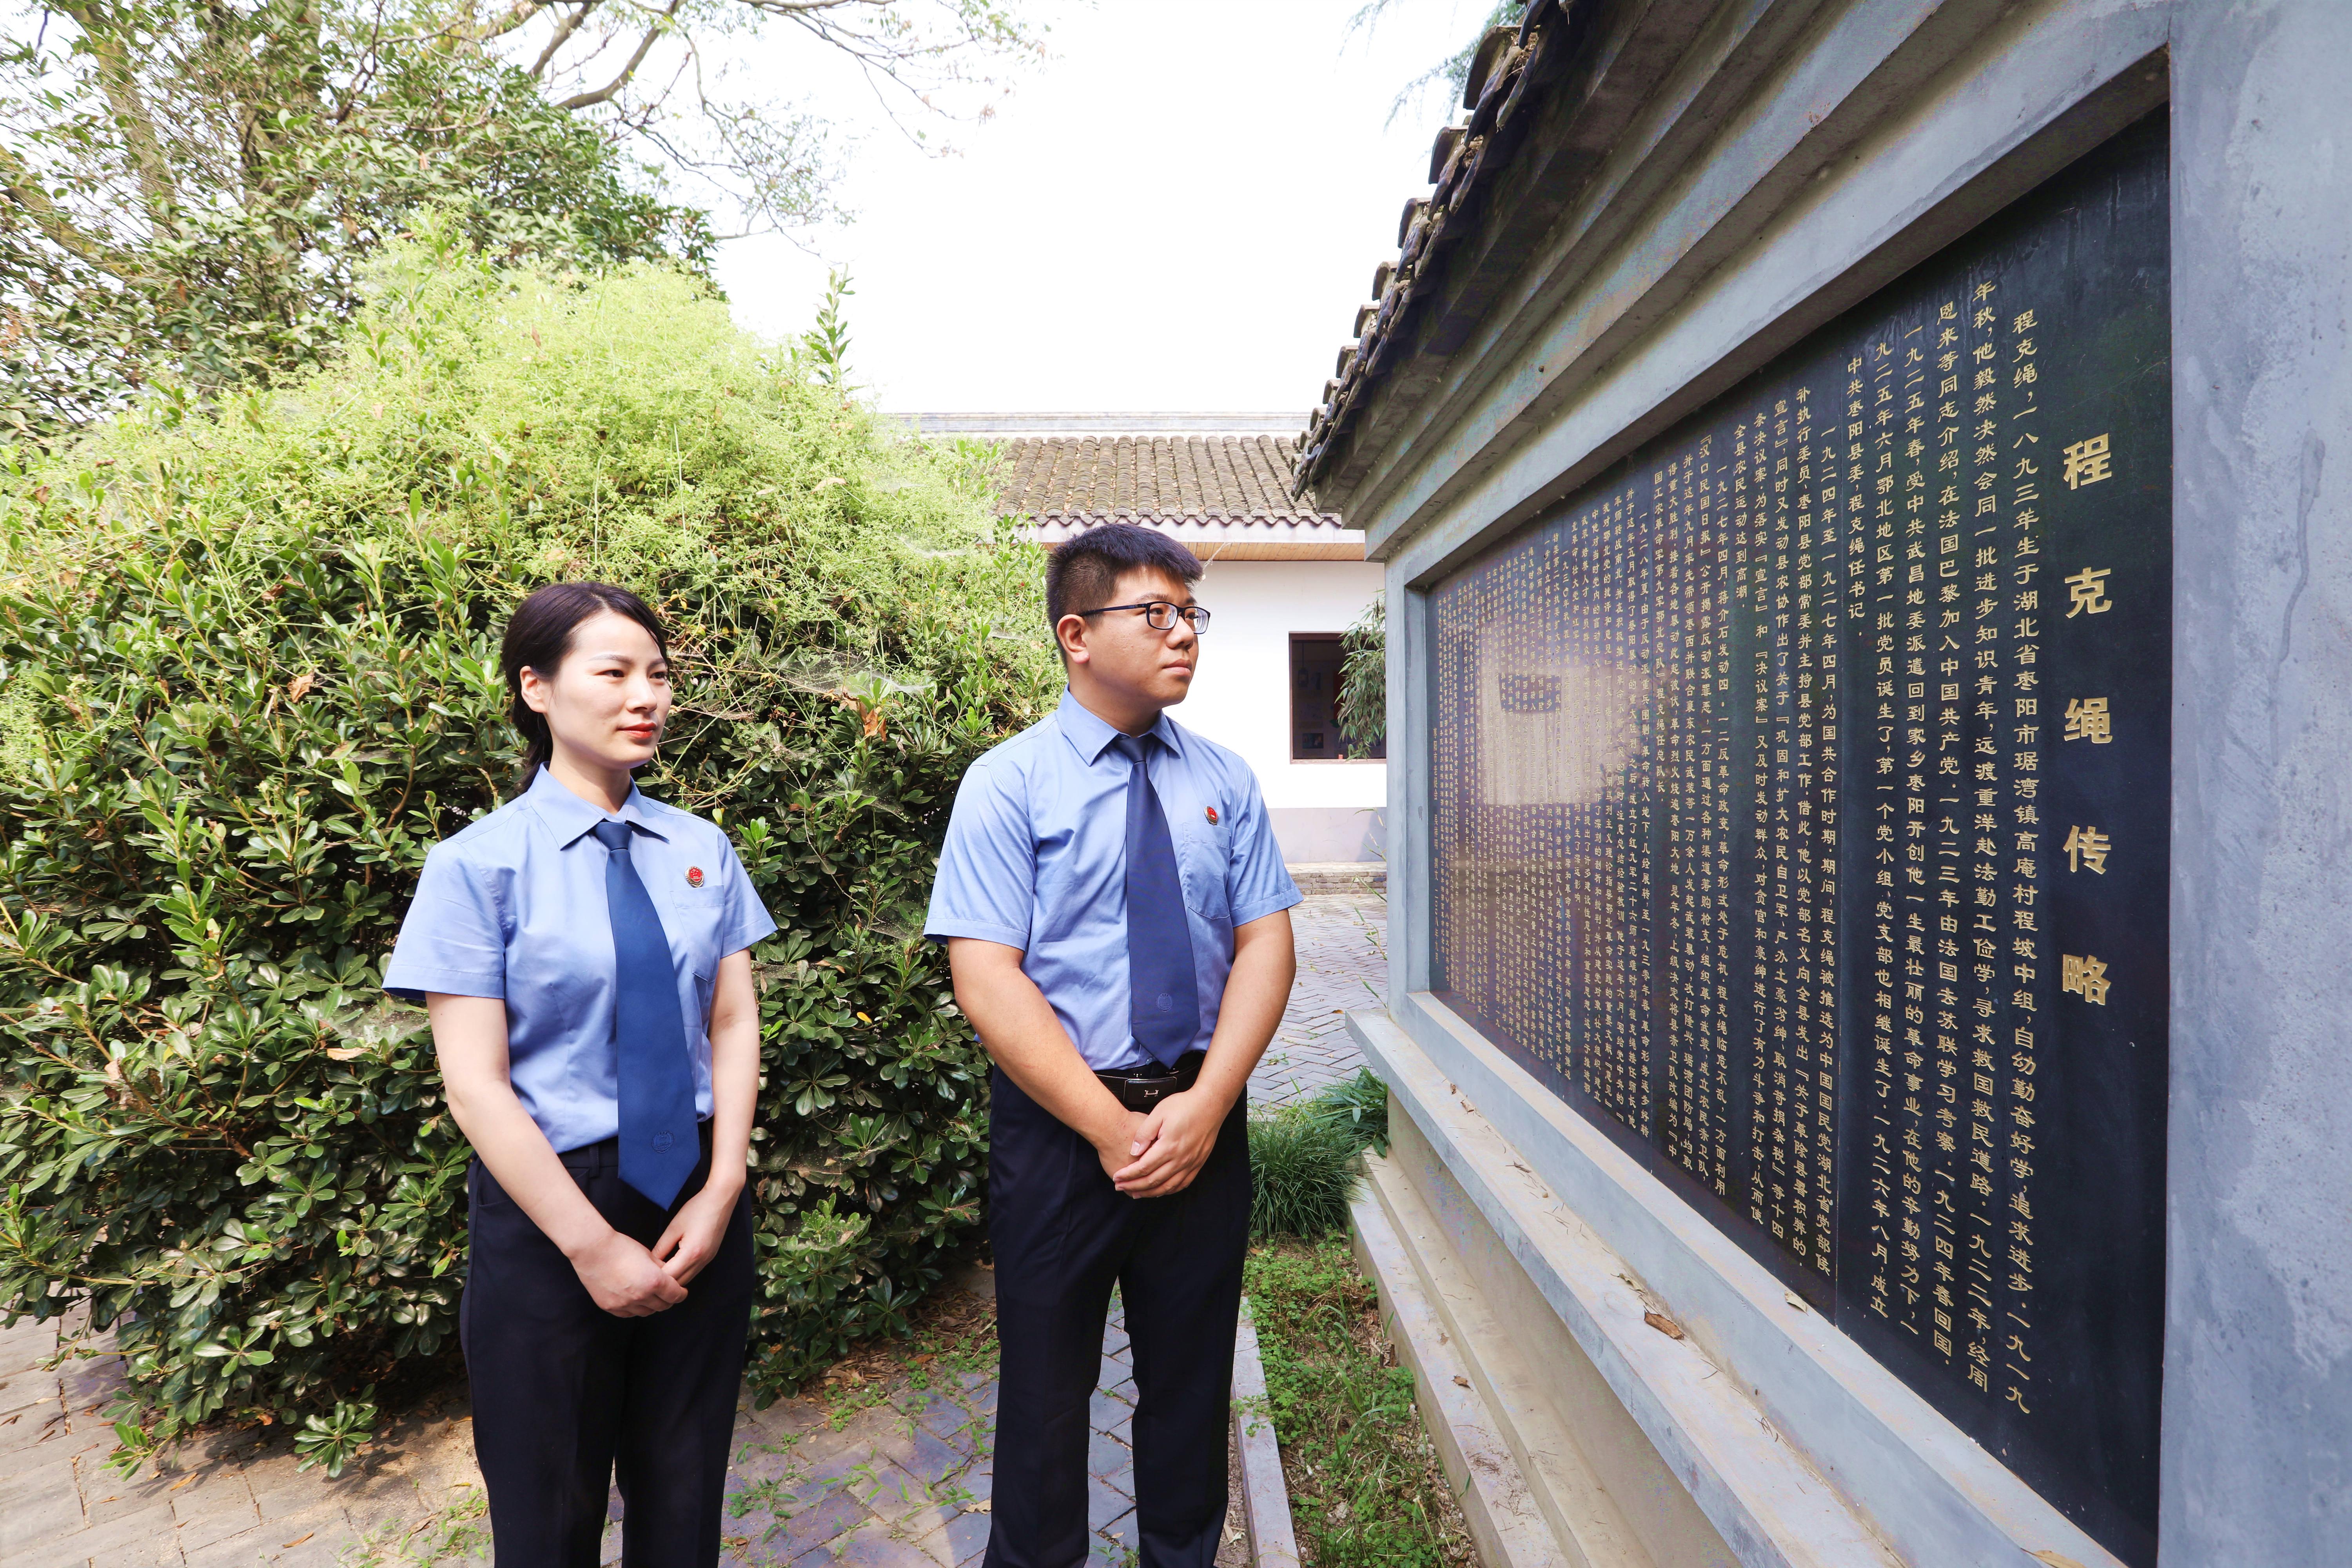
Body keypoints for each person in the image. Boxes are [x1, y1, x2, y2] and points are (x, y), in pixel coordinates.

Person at [926, 523, 1301, 1568]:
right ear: (1077, 634)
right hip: (1060, 1132)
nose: (1184, 633)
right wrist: (1108, 1127)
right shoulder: (1008, 783)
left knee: (1191, 1382)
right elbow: (985, 975)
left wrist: (1208, 1105)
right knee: (1046, 1394)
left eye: (1192, 613)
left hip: (1199, 1119)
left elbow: (1267, 944)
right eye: (1157, 612)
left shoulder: (1224, 778)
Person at [384, 582, 777, 1566]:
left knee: (684, 1492)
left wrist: (725, 1182)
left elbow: (732, 1018)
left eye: (658, 674)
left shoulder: (702, 847)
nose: (645, 695)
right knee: (549, 1513)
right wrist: (592, 1246)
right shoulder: (477, 865)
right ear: (538, 687)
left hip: (696, 1196)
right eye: (614, 672)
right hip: (553, 1208)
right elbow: (475, 1084)